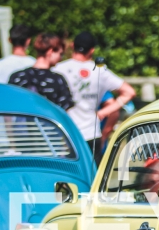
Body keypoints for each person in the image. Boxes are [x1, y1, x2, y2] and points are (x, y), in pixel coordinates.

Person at [53, 32, 136, 164]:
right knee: (92, 174)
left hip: (64, 132)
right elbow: (129, 92)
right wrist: (104, 112)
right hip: (91, 132)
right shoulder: (100, 71)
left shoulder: (59, 69)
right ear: (92, 50)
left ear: (72, 46)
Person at [8, 33, 74, 110]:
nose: (60, 58)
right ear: (50, 51)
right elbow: (64, 111)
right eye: (61, 54)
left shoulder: (17, 77)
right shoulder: (57, 80)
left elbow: (9, 106)